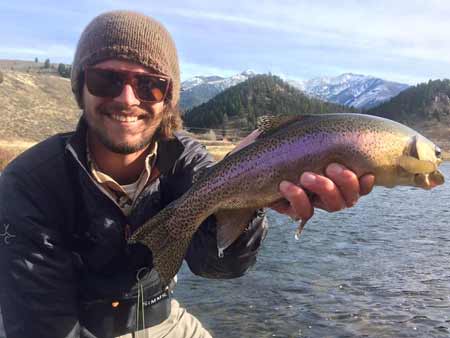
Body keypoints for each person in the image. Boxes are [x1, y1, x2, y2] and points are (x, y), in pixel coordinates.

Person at [0, 10, 374, 338]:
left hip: (164, 323)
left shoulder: (184, 158)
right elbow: (40, 325)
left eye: (150, 85)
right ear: (80, 87)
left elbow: (217, 266)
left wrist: (254, 195)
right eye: (107, 79)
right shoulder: (30, 184)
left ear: (168, 99)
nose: (128, 99)